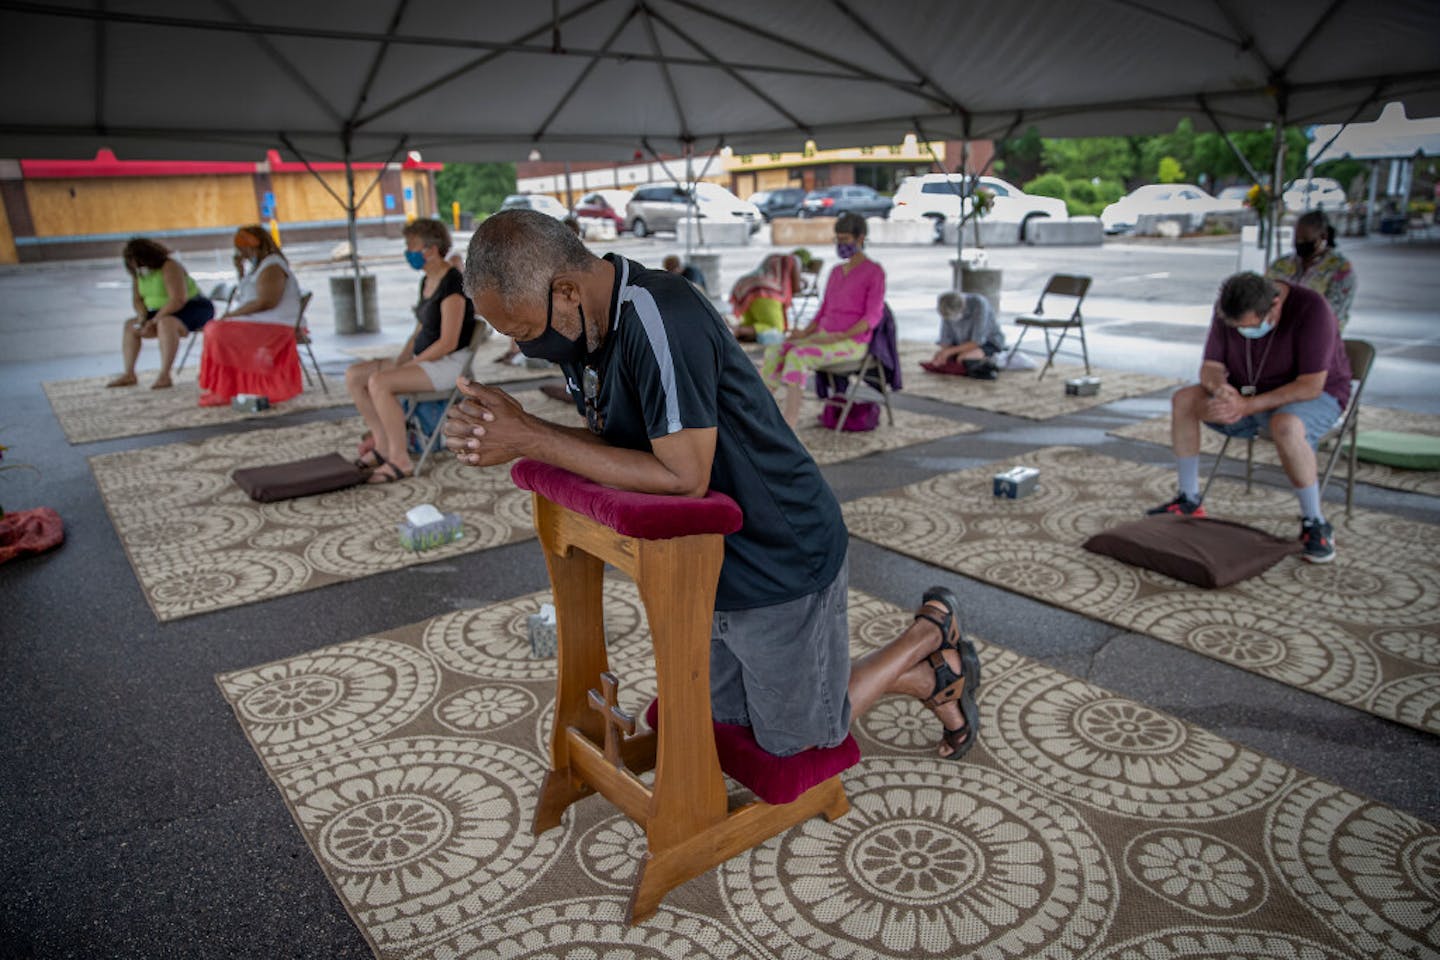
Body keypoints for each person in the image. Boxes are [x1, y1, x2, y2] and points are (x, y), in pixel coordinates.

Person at [441, 209, 980, 761]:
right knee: (728, 721)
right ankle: (926, 677)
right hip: (708, 559)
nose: (527, 348)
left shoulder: (660, 315)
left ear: (566, 291)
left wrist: (530, 435)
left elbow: (682, 479)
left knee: (797, 740)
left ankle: (927, 639)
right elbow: (624, 451)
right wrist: (517, 434)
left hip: (780, 550)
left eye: (526, 332)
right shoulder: (585, 328)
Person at [1149, 271, 1351, 563]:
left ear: (1275, 304)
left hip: (1314, 396)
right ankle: (1189, 500)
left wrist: (1247, 406)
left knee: (1286, 425)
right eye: (1238, 328)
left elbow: (1311, 385)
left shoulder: (1313, 308)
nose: (1245, 333)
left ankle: (1315, 523)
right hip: (1247, 391)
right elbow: (1210, 366)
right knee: (1184, 399)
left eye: (1251, 327)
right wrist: (1221, 391)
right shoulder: (1227, 309)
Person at [345, 218, 477, 483]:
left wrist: (410, 364)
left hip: (448, 363)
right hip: (426, 359)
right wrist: (401, 359)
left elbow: (448, 342)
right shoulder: (427, 281)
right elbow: (418, 331)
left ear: (430, 249)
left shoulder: (453, 284)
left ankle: (400, 459)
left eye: (411, 245)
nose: (408, 251)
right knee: (355, 375)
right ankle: (381, 445)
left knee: (380, 383)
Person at [760, 211, 884, 427]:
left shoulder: (874, 273)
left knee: (798, 356)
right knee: (775, 350)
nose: (841, 244)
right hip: (825, 337)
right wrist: (805, 333)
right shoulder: (836, 272)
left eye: (845, 239)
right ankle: (760, 414)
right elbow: (823, 310)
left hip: (852, 343)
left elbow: (872, 317)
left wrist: (839, 336)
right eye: (838, 239)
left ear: (860, 238)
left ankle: (789, 422)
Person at [197, 226, 305, 407]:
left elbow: (266, 302)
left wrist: (233, 315)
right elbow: (247, 294)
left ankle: (227, 388)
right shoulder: (258, 267)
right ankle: (227, 387)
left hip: (274, 325)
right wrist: (240, 270)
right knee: (214, 329)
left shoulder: (273, 266)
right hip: (259, 321)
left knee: (217, 331)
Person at [106, 238, 215, 390]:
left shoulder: (170, 266)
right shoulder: (139, 273)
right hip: (161, 310)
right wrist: (143, 318)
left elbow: (178, 299)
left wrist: (155, 320)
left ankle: (165, 375)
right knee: (131, 325)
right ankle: (129, 373)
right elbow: (138, 300)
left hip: (192, 306)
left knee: (166, 324)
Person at [1266, 211, 1357, 331]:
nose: (1299, 243)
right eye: (1297, 239)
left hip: (1320, 334)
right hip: (1279, 334)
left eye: (1305, 239)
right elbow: (1263, 297)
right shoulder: (1280, 265)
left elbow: (1333, 311)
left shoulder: (1340, 269)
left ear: (1323, 237)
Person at [921, 290, 1004, 378]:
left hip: (987, 342)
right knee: (942, 361)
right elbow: (945, 338)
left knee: (965, 359)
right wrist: (943, 353)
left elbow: (977, 341)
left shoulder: (979, 304)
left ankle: (990, 361)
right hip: (960, 344)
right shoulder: (946, 307)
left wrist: (949, 352)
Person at [728, 251, 803, 343]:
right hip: (765, 290)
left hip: (746, 286)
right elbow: (796, 288)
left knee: (752, 324)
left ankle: (732, 330)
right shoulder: (795, 259)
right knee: (775, 328)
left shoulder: (773, 257)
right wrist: (803, 282)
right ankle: (735, 331)